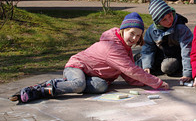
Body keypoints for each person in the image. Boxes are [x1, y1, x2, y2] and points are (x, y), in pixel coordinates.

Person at [10, 12, 169, 103]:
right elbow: (130, 69)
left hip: (93, 76)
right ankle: (40, 89)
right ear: (122, 30)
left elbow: (128, 74)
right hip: (77, 66)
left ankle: (65, 85)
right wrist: (156, 82)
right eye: (131, 33)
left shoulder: (125, 48)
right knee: (78, 85)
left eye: (138, 36)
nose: (134, 38)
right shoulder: (113, 47)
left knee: (101, 87)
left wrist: (143, 82)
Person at [136, 0, 193, 83]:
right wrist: (146, 66)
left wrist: (187, 73)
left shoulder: (181, 28)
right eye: (164, 20)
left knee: (167, 67)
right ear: (157, 22)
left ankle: (177, 67)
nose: (169, 21)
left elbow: (187, 51)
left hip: (176, 57)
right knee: (139, 63)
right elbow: (148, 49)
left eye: (170, 16)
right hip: (161, 55)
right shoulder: (152, 30)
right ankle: (147, 64)